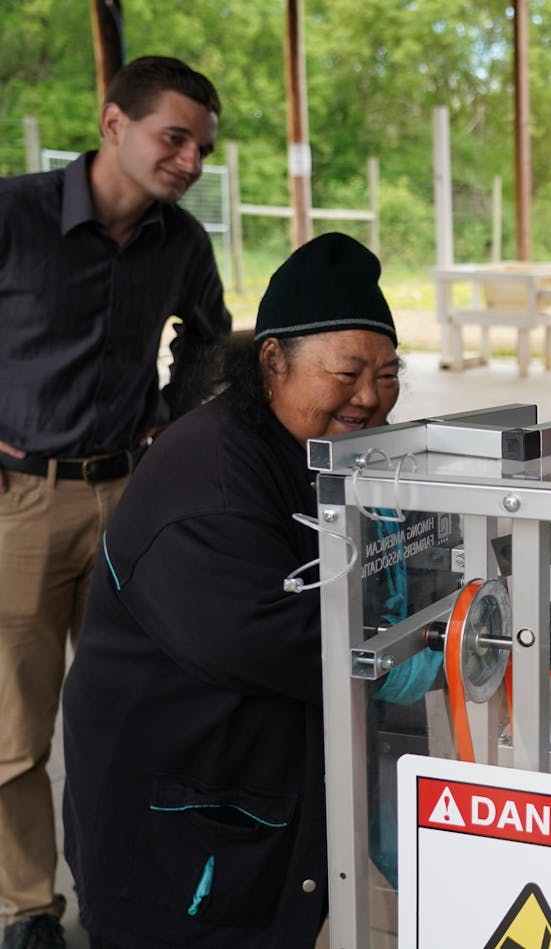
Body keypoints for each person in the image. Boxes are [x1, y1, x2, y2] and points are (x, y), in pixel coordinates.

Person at [61, 233, 403, 948]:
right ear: (272, 361)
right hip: (176, 839)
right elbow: (265, 636)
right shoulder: (210, 481)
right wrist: (410, 647)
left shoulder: (310, 448)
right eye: (346, 373)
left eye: (387, 373)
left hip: (256, 800)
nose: (370, 398)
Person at [0, 55, 229, 949]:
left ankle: (120, 895)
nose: (189, 161)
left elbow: (209, 348)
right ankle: (28, 909)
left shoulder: (184, 244)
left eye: (201, 149)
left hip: (130, 504)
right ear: (112, 125)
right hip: (20, 499)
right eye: (174, 139)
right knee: (17, 729)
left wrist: (169, 437)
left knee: (132, 714)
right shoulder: (14, 214)